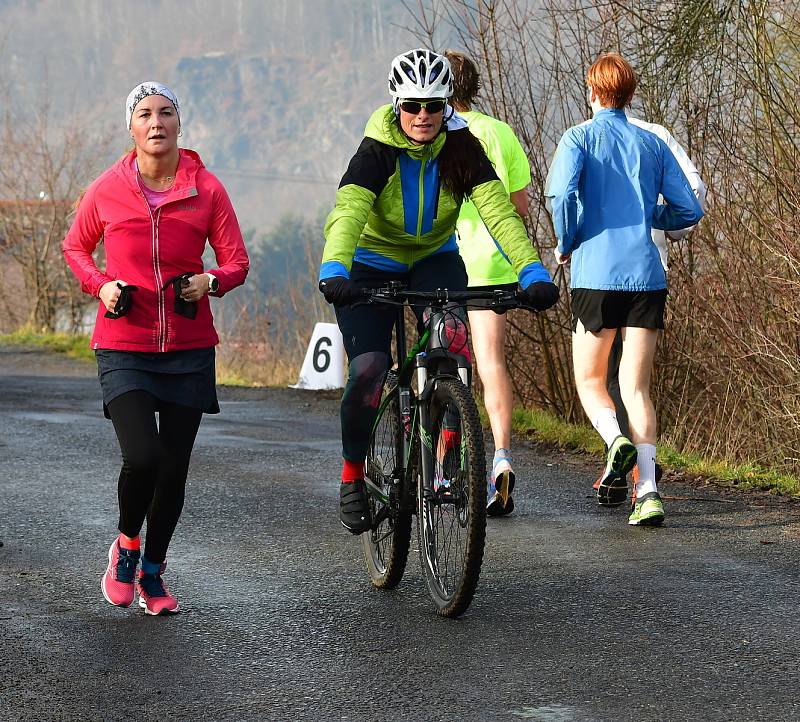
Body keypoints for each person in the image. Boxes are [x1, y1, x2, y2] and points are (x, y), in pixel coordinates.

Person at [318, 48, 559, 534]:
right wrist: (334, 268)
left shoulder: (462, 147)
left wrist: (531, 271)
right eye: (412, 105)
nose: (423, 115)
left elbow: (499, 212)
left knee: (451, 344)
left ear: (448, 103)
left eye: (433, 105)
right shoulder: (377, 149)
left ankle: (447, 438)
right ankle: (352, 475)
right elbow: (349, 212)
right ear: (396, 105)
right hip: (370, 262)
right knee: (368, 368)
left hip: (433, 258)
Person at [63, 82, 249, 613]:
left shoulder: (207, 189)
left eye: (166, 113)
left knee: (174, 468)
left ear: (178, 125)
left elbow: (236, 260)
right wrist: (100, 285)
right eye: (144, 114)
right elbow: (76, 245)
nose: (156, 122)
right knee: (142, 456)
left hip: (189, 347)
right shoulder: (108, 188)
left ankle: (152, 570)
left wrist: (209, 282)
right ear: (131, 127)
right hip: (123, 343)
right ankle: (125, 548)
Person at [545, 53, 704, 526]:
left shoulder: (577, 138)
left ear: (592, 91)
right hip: (646, 277)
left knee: (591, 381)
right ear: (631, 94)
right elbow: (689, 209)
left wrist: (566, 241)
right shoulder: (652, 143)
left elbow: (561, 196)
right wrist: (651, 216)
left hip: (595, 274)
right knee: (636, 387)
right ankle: (649, 492)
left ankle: (616, 443)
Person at [594, 114, 707, 507]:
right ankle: (639, 469)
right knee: (635, 378)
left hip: (602, 270)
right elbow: (693, 192)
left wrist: (567, 244)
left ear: (594, 92)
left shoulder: (587, 136)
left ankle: (627, 463)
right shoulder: (656, 136)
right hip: (647, 269)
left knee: (608, 374)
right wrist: (667, 226)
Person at [445, 50, 533, 517]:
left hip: (448, 261)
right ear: (475, 86)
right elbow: (519, 206)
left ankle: (445, 467)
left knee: (443, 364)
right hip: (495, 265)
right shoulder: (499, 132)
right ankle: (500, 456)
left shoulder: (434, 133)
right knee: (491, 363)